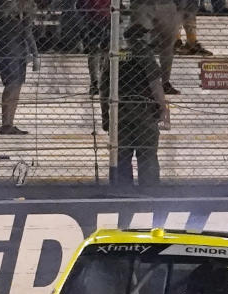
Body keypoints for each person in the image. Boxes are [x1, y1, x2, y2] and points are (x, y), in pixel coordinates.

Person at [100, 23, 169, 186]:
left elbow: (103, 88)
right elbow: (155, 84)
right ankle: (149, 191)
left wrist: (105, 115)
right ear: (141, 37)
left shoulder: (113, 55)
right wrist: (163, 108)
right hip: (144, 111)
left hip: (120, 111)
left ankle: (123, 191)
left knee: (122, 155)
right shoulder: (145, 53)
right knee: (147, 155)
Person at [0, 0, 39, 134]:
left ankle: (9, 123)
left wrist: (34, 54)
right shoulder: (4, 6)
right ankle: (5, 124)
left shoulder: (29, 6)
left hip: (19, 49)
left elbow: (27, 32)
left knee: (17, 86)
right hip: (5, 48)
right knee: (11, 84)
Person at [131, 0, 181, 94]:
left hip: (166, 5)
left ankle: (165, 83)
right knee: (140, 43)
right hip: (142, 4)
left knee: (168, 45)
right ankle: (141, 82)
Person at [78, 0, 111, 95]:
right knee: (102, 51)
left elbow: (80, 6)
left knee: (96, 52)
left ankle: (96, 82)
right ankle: (99, 82)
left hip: (97, 17)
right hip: (102, 17)